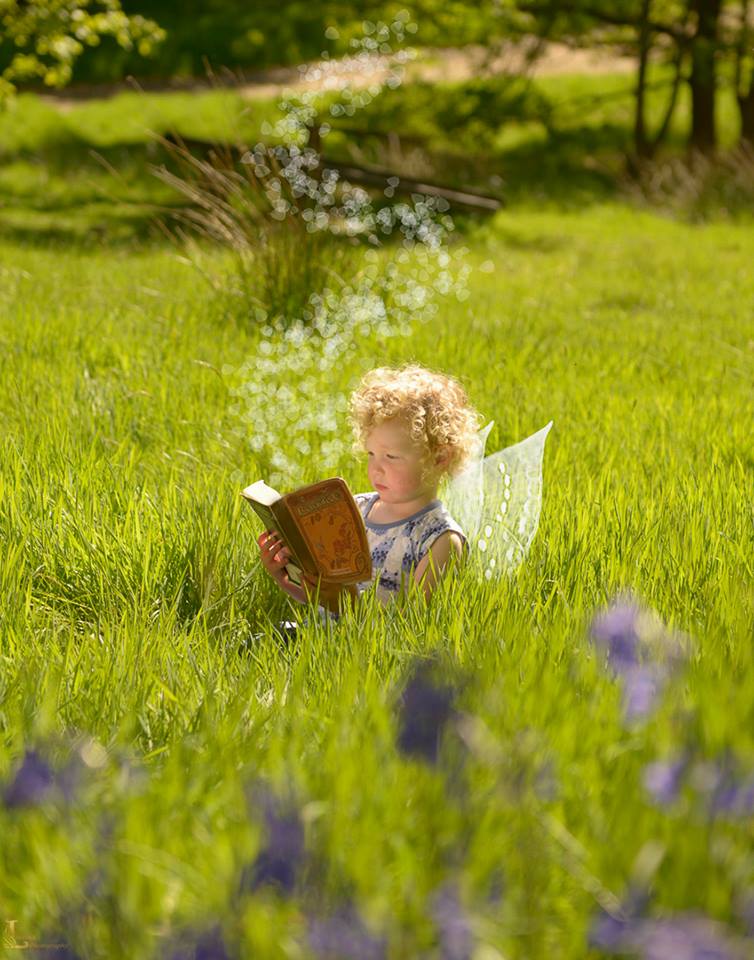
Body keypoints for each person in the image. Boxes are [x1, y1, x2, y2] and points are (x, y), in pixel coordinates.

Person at [257, 364, 481, 621]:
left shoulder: (439, 540)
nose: (376, 468)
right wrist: (284, 576)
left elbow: (413, 631)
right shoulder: (354, 509)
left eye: (391, 456)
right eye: (371, 454)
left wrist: (344, 604)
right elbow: (318, 599)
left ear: (440, 457)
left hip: (369, 658)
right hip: (315, 643)